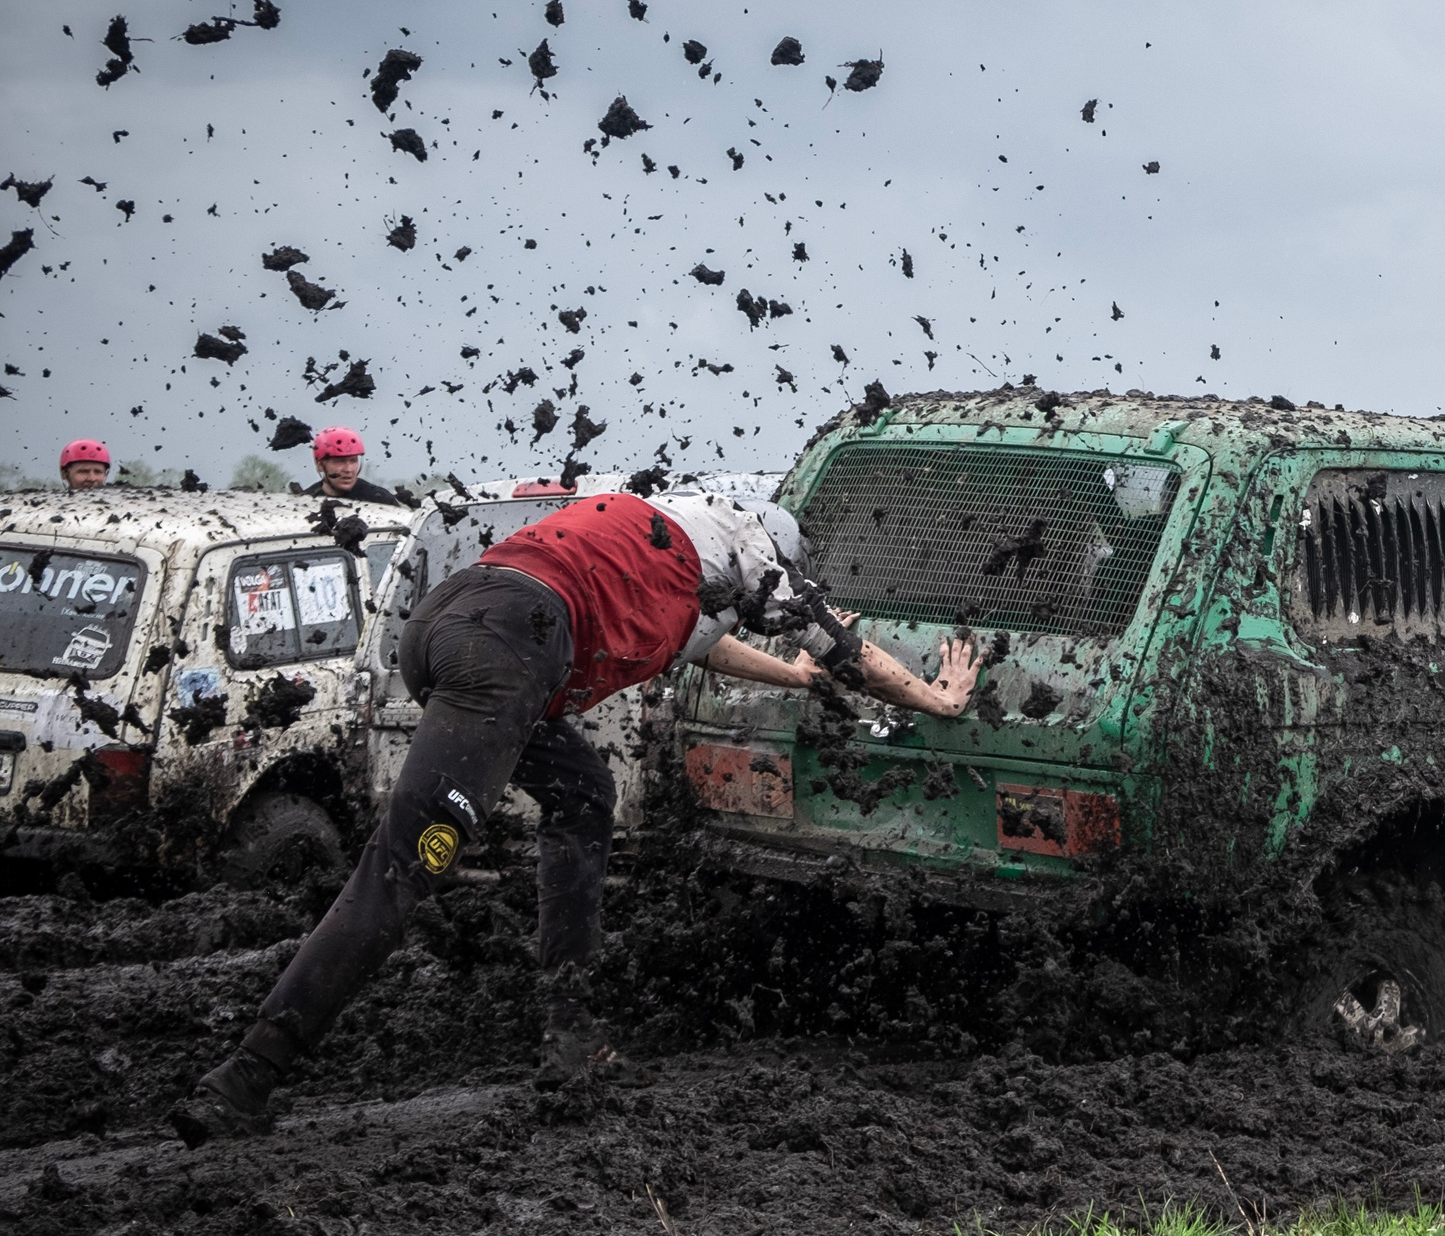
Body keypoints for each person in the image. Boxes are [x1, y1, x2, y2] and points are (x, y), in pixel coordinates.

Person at [171, 488, 980, 1144]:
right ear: (772, 549)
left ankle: (570, 1035)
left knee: (583, 794)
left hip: (451, 623)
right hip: (510, 644)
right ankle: (242, 1080)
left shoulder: (676, 543)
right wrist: (936, 697)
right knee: (404, 868)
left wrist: (794, 681)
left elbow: (703, 642)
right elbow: (850, 651)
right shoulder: (752, 541)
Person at [298, 425, 404, 506]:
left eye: (353, 461)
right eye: (339, 462)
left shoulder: (380, 499)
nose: (348, 469)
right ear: (320, 465)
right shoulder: (305, 503)